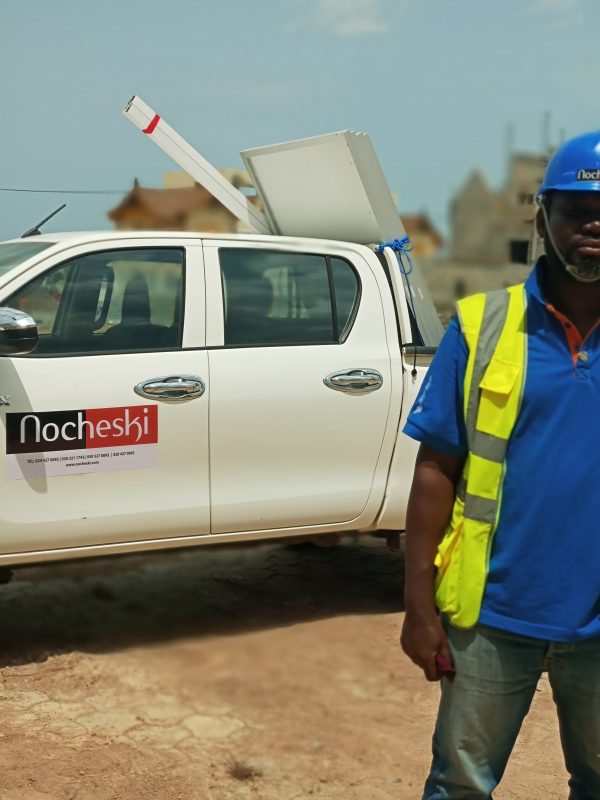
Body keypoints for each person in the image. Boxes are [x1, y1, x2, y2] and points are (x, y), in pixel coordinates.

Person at [400, 130, 600, 799]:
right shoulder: (482, 327)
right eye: (576, 210)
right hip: (491, 615)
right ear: (542, 219)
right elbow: (436, 469)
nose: (593, 225)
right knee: (460, 784)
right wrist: (419, 605)